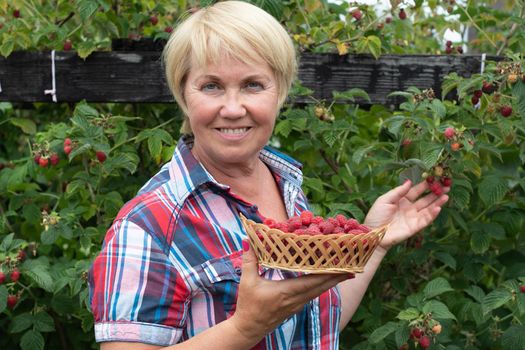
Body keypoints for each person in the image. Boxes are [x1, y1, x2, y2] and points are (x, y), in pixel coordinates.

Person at [87, 1, 449, 349]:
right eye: (211, 86)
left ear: (281, 91)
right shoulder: (149, 226)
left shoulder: (286, 186)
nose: (232, 108)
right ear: (183, 93)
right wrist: (246, 327)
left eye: (253, 85)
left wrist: (372, 243)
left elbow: (314, 325)